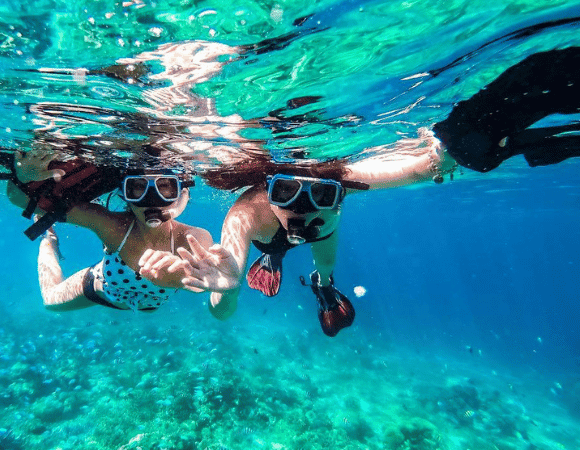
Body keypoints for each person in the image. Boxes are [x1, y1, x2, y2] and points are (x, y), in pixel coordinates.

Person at [168, 46, 580, 337]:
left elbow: (423, 167)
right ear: (268, 191)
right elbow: (223, 300)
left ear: (340, 193)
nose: (303, 209)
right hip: (273, 239)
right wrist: (227, 289)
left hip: (321, 240)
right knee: (295, 252)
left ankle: (320, 286)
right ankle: (283, 261)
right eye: (288, 192)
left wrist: (457, 148)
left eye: (323, 196)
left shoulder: (342, 182)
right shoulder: (247, 214)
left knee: (325, 272)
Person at [4, 150, 214, 312]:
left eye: (165, 187)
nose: (151, 200)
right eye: (137, 188)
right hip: (103, 290)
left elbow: (206, 284)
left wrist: (183, 278)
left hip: (147, 304)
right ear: (124, 194)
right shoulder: (113, 227)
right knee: (49, 301)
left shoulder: (193, 239)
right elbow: (21, 200)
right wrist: (22, 177)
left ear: (180, 195)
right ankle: (49, 239)